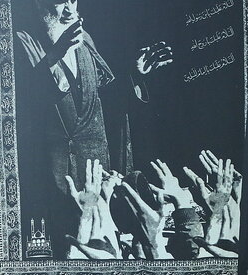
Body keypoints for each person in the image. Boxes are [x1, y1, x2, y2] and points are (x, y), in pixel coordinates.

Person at [13, 0, 172, 259]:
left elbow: (102, 100)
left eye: (73, 0)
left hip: (94, 172)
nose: (70, 10)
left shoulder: (84, 40)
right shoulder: (23, 41)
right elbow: (21, 103)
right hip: (51, 178)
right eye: (59, 2)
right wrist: (55, 54)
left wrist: (134, 75)